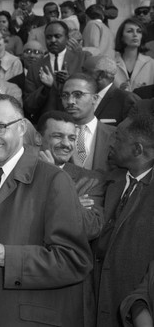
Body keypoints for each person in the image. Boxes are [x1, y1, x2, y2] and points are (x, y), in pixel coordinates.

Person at [0, 93, 91, 327]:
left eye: (0, 127)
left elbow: (75, 261)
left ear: (21, 128)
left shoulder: (54, 180)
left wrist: (7, 258)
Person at [94, 114, 154, 327]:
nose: (110, 142)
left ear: (137, 149)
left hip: (133, 311)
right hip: (94, 305)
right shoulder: (107, 180)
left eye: (117, 138)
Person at [37, 110, 105, 239]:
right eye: (58, 136)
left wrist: (55, 177)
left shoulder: (91, 180)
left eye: (72, 138)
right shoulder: (18, 171)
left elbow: (91, 229)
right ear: (38, 138)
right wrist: (74, 205)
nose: (66, 144)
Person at [24, 20, 88, 123]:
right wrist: (45, 89)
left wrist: (70, 81)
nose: (53, 40)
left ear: (67, 38)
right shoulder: (35, 67)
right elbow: (29, 106)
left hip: (78, 122)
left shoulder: (82, 58)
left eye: (57, 36)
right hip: (48, 125)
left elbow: (92, 91)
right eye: (49, 37)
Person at [61, 73, 115, 172]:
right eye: (65, 95)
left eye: (77, 95)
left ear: (95, 99)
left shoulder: (115, 135)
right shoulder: (53, 135)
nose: (70, 101)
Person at [82, 55, 140, 125]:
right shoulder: (81, 97)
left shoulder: (126, 100)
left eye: (85, 71)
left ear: (101, 75)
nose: (80, 75)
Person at [113, 17, 154, 91]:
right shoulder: (110, 64)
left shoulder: (151, 63)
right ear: (121, 37)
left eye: (139, 31)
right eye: (129, 31)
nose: (135, 34)